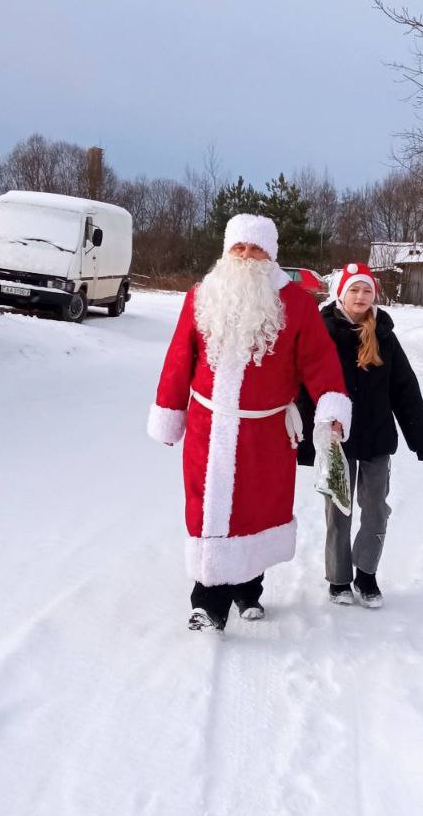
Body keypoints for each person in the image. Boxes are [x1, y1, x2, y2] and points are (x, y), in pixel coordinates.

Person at [147, 215, 351, 632]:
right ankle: (207, 603)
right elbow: (178, 359)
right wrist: (170, 414)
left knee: (254, 513)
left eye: (255, 249)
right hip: (208, 426)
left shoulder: (295, 303)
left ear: (270, 255)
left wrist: (330, 412)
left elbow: (320, 362)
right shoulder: (202, 296)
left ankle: (248, 589)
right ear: (226, 251)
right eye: (238, 248)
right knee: (208, 512)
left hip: (266, 432)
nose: (245, 256)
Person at [297, 262, 423, 607]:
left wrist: (422, 438)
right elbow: (303, 386)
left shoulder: (384, 336)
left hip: (376, 438)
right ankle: (339, 579)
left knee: (375, 508)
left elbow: (405, 389)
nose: (360, 296)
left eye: (367, 290)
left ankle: (367, 575)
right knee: (338, 511)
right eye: (353, 290)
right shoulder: (321, 332)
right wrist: (303, 441)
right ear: (340, 294)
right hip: (335, 442)